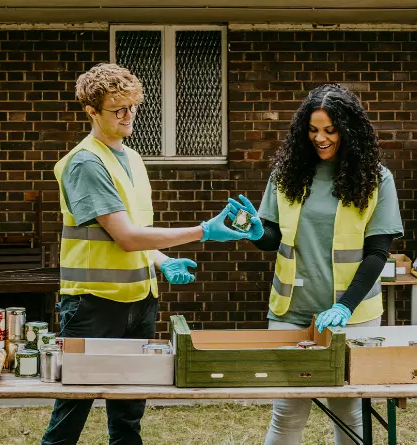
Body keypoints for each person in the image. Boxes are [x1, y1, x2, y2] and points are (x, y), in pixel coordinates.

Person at [42, 63, 262, 445]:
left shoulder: (132, 158)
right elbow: (126, 237)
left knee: (128, 416)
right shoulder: (86, 162)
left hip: (139, 301)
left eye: (133, 107)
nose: (129, 116)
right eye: (118, 109)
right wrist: (203, 232)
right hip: (93, 306)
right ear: (91, 111)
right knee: (71, 413)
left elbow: (135, 235)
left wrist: (162, 260)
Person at [240, 84, 404, 445]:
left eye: (330, 130)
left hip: (354, 314)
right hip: (290, 312)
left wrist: (345, 305)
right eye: (313, 130)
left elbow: (377, 253)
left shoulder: (376, 179)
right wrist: (254, 231)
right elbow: (272, 239)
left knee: (348, 411)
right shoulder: (286, 174)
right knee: (287, 411)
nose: (320, 138)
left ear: (350, 130)